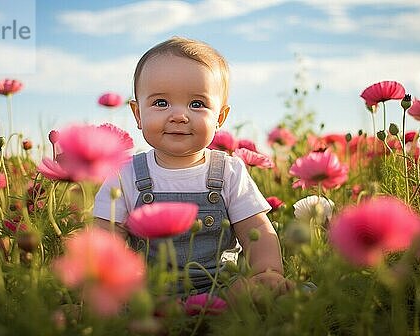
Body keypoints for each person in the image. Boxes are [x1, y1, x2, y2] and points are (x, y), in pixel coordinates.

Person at [93, 36, 291, 296]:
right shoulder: (124, 174)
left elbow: (256, 228)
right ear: (138, 114)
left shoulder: (230, 172)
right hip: (151, 293)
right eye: (161, 103)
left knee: (262, 294)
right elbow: (106, 237)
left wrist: (267, 272)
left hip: (220, 289)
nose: (179, 115)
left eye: (197, 104)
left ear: (220, 117)